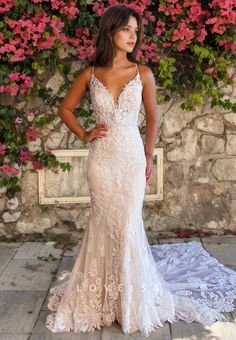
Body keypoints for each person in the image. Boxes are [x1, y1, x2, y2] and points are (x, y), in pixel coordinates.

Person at [45, 4, 236, 337]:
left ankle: (132, 301)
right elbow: (65, 108)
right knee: (104, 225)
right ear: (111, 32)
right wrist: (85, 133)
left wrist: (148, 156)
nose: (133, 36)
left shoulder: (142, 73)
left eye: (136, 30)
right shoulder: (90, 74)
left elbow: (152, 118)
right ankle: (104, 298)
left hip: (132, 160)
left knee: (128, 225)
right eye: (126, 30)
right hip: (102, 162)